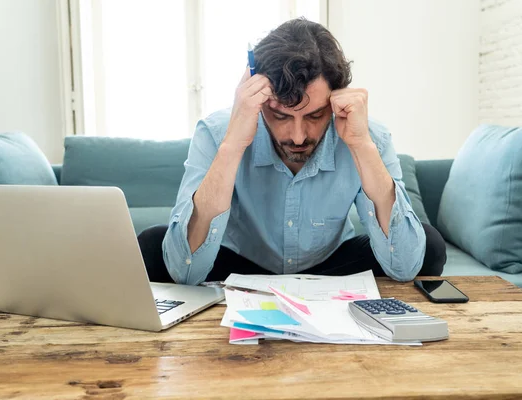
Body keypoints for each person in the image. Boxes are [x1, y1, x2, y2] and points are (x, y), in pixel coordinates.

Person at [138, 18, 446, 285]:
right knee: (153, 245)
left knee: (427, 244)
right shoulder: (216, 131)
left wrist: (362, 146)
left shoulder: (368, 134)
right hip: (241, 264)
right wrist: (232, 145)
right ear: (260, 103)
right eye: (282, 117)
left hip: (330, 266)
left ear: (336, 99)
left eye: (314, 116)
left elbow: (406, 266)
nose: (298, 136)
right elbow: (183, 269)